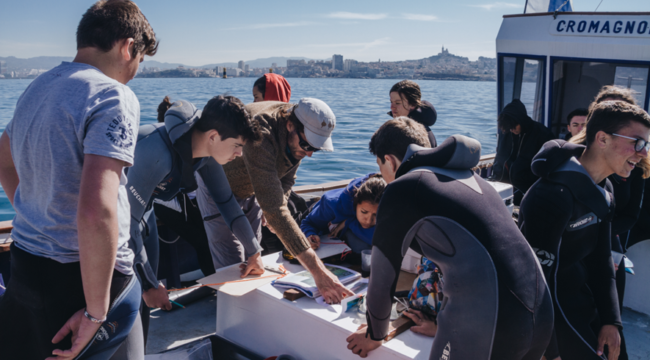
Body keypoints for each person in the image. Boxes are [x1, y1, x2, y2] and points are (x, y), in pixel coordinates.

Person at [0, 1, 157, 359]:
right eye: (140, 59)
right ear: (128, 46)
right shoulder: (113, 95)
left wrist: (39, 212)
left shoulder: (38, 86)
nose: (135, 71)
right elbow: (96, 211)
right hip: (86, 282)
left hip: (26, 267)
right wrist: (96, 312)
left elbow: (3, 159)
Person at [346, 118, 553, 359]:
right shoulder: (475, 181)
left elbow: (382, 277)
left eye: (379, 165)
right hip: (540, 313)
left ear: (389, 161)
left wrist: (375, 333)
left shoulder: (404, 188)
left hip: (492, 319)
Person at [115, 96, 265, 356]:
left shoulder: (204, 155)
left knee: (145, 308)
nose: (240, 154)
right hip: (114, 221)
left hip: (142, 214)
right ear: (214, 136)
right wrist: (150, 285)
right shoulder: (156, 153)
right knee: (134, 297)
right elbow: (125, 224)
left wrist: (253, 251)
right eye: (237, 145)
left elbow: (227, 203)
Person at [519, 101, 650, 360]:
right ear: (602, 139)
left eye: (646, 145)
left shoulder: (604, 191)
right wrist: (550, 350)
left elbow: (601, 259)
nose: (643, 153)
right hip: (553, 314)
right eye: (638, 143)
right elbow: (533, 283)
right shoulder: (552, 196)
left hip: (583, 301)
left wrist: (612, 321)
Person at [197, 98, 353, 304]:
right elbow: (275, 209)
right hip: (219, 186)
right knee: (234, 265)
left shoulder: (297, 133)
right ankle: (232, 314)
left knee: (254, 259)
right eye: (306, 145)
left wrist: (277, 204)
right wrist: (319, 272)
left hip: (255, 189)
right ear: (290, 125)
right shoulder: (262, 133)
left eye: (315, 148)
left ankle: (250, 310)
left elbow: (287, 178)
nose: (309, 154)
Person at [568, 87, 648, 360]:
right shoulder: (564, 170)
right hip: (575, 262)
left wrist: (599, 235)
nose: (641, 151)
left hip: (610, 252)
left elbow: (631, 216)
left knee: (610, 327)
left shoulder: (629, 169)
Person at [300, 173, 386, 253]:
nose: (368, 221)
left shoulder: (389, 208)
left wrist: (349, 222)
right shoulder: (332, 204)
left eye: (376, 215)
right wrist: (310, 234)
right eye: (363, 212)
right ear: (355, 203)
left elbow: (384, 240)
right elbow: (307, 223)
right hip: (318, 212)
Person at [491, 99, 555, 204]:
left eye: (513, 126)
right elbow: (500, 157)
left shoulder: (542, 134)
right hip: (504, 186)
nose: (512, 130)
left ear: (521, 120)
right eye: (509, 128)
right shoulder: (507, 132)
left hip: (528, 190)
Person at [388, 80, 438, 147]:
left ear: (412, 104)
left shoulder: (407, 133)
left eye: (397, 103)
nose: (392, 107)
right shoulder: (425, 129)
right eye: (391, 102)